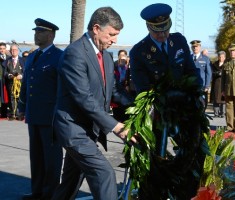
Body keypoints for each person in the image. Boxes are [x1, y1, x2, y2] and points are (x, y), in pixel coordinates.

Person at [51, 7, 136, 200]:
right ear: (96, 28)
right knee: (104, 173)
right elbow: (84, 98)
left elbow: (113, 91)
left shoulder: (106, 56)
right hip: (73, 129)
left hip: (89, 132)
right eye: (112, 34)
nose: (115, 40)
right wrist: (115, 126)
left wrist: (138, 105)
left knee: (71, 183)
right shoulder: (75, 53)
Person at [130, 3, 203, 199]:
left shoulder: (179, 41)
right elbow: (143, 88)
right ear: (148, 27)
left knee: (194, 151)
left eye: (166, 29)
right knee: (157, 158)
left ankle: (187, 191)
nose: (163, 34)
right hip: (159, 113)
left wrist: (197, 90)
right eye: (157, 31)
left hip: (184, 108)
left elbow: (190, 69)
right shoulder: (139, 51)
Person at [18, 18, 63, 200]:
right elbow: (26, 83)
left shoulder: (59, 56)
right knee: (36, 157)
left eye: (40, 32)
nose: (36, 34)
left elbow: (62, 88)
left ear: (50, 34)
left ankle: (50, 194)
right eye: (35, 31)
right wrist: (22, 106)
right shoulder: (33, 56)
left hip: (51, 117)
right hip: (34, 115)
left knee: (51, 159)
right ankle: (37, 191)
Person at [3, 44, 24, 120]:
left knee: (20, 98)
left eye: (15, 50)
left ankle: (19, 114)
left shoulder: (23, 60)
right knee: (11, 98)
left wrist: (21, 76)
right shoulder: (7, 61)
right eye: (12, 50)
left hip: (20, 83)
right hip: (11, 83)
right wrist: (9, 75)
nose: (13, 51)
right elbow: (4, 73)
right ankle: (12, 114)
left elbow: (26, 72)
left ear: (18, 51)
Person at [190, 40, 212, 110]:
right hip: (191, 85)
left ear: (200, 47)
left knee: (202, 105)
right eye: (193, 47)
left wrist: (207, 85)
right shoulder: (188, 58)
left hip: (201, 86)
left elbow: (208, 73)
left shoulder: (205, 59)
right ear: (191, 48)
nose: (195, 48)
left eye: (196, 47)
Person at [211, 50, 226, 117]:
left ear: (224, 57)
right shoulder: (214, 64)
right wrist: (217, 73)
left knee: (223, 98)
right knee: (216, 98)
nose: (221, 58)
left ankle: (222, 112)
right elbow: (211, 72)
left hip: (224, 83)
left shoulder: (227, 64)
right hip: (216, 83)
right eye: (220, 56)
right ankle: (216, 112)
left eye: (222, 57)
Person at [0, 42, 10, 118]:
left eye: (3, 48)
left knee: (6, 96)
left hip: (7, 79)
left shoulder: (9, 58)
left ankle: (5, 113)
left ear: (6, 49)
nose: (2, 50)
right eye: (0, 49)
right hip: (0, 79)